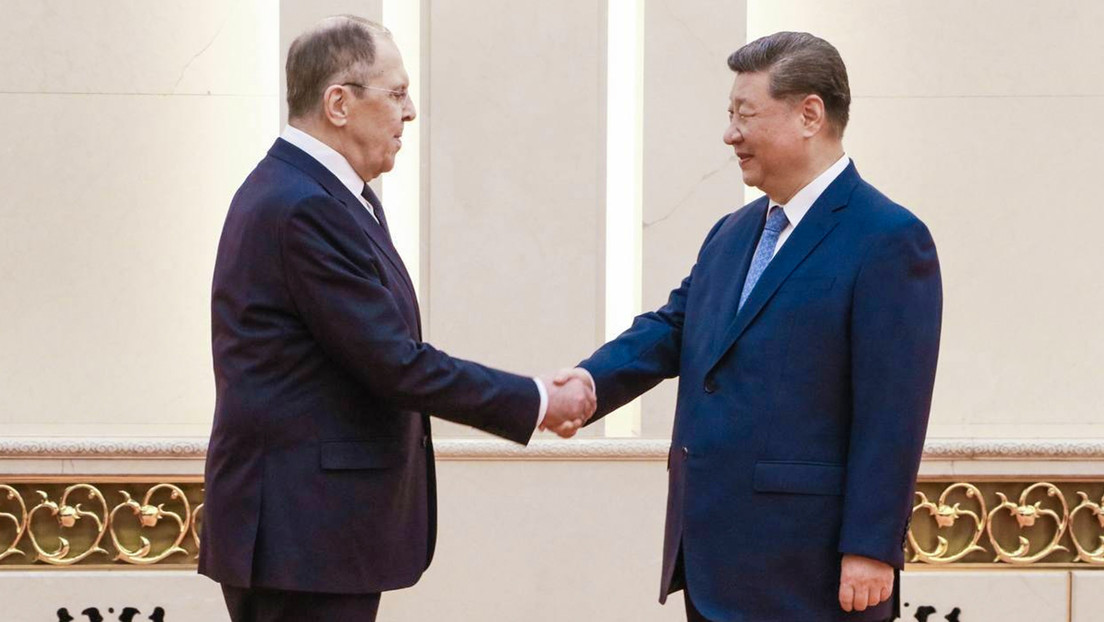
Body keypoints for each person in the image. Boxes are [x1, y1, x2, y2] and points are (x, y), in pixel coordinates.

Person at [199, 15, 594, 621]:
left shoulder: (324, 194)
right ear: (338, 103)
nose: (410, 112)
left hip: (313, 534)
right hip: (302, 537)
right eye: (397, 93)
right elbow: (393, 363)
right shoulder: (303, 206)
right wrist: (536, 400)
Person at [558, 31, 942, 621]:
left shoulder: (888, 238)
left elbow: (892, 412)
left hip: (810, 570)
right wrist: (587, 383)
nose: (729, 134)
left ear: (809, 115)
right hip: (712, 559)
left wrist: (870, 548)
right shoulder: (732, 233)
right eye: (729, 114)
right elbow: (672, 328)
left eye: (745, 114)